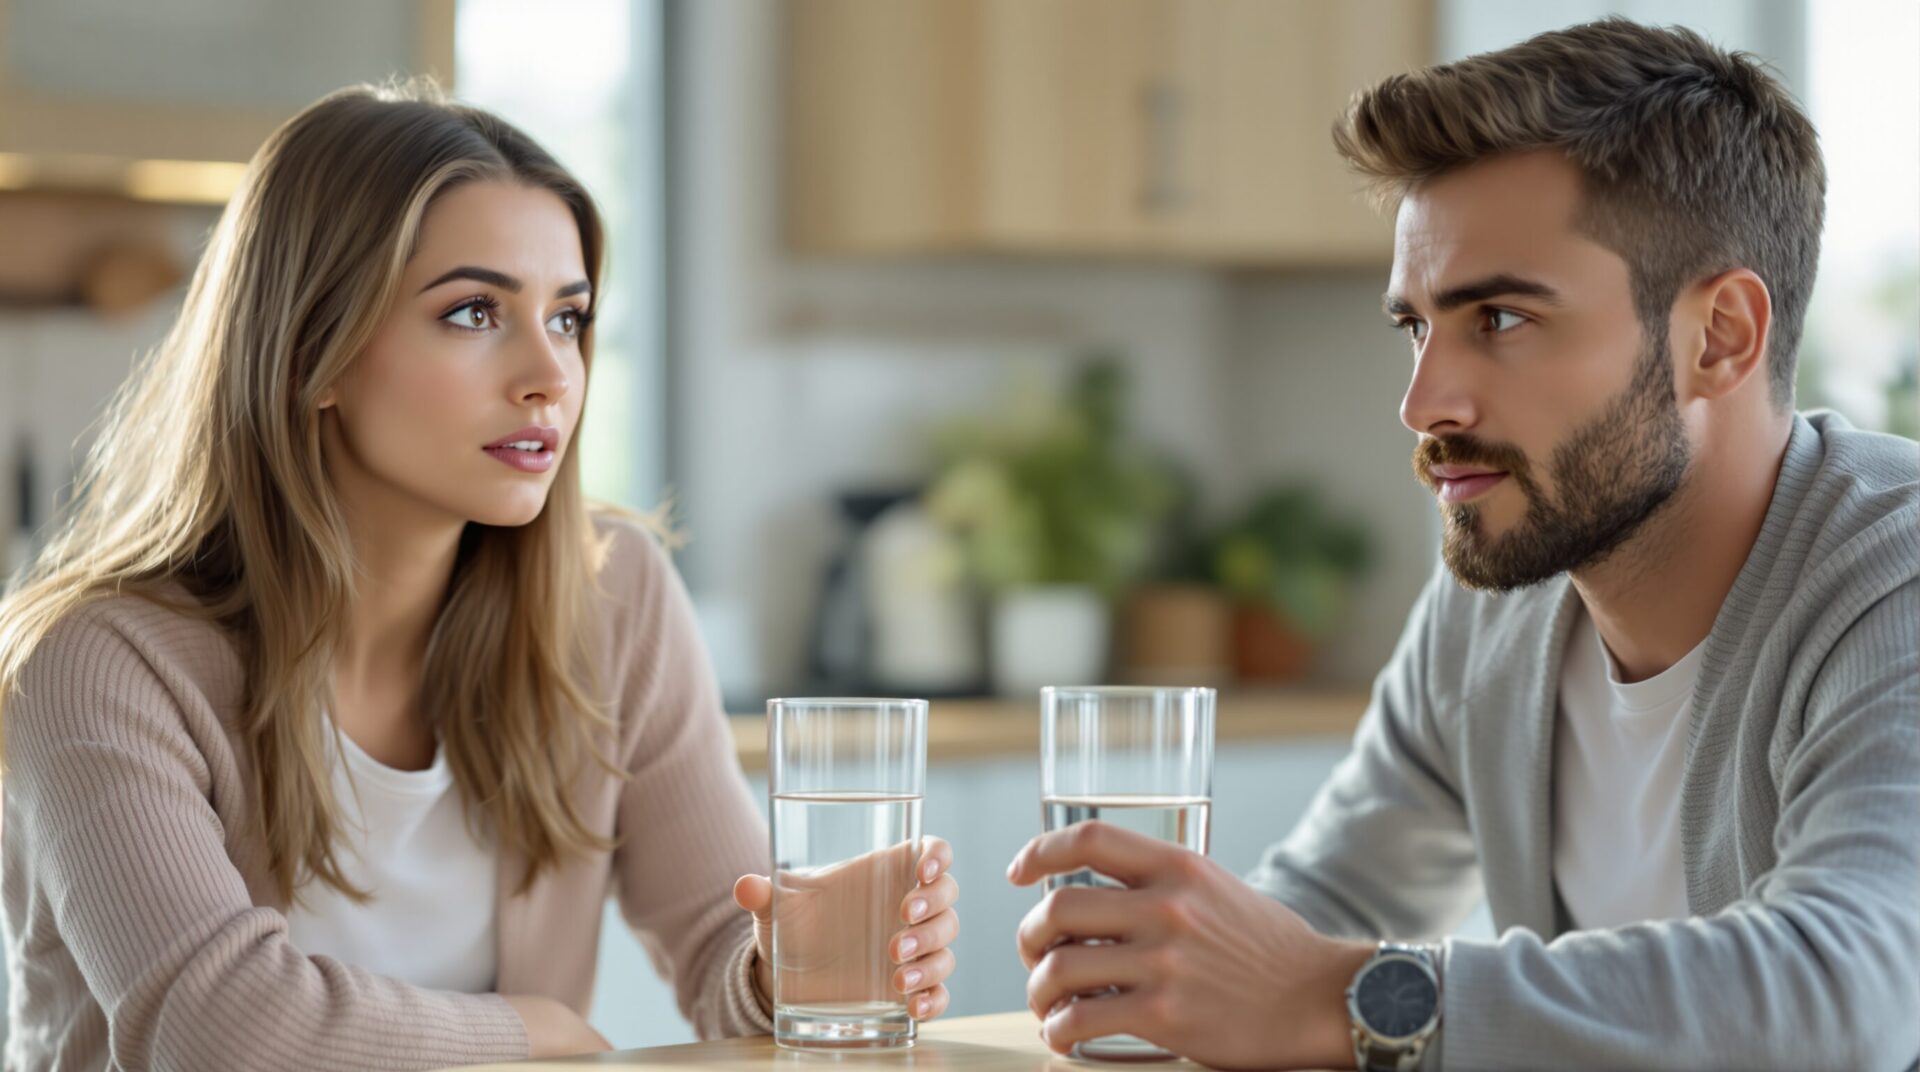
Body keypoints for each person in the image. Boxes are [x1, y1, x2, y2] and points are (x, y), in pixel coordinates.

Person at [1006, 18, 1919, 1071]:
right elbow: (1324, 905)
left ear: (1720, 336)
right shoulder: (1501, 597)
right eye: (1416, 327)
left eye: (1499, 319)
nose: (1422, 402)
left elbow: (1851, 993)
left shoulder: (1890, 580)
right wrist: (1172, 973)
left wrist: (1347, 999)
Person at [0, 81, 958, 1071]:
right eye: (473, 312)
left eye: (569, 317)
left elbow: (724, 941)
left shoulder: (613, 598)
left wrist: (790, 963)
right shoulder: (95, 662)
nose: (551, 374)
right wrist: (533, 1032)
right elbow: (219, 1029)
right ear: (310, 354)